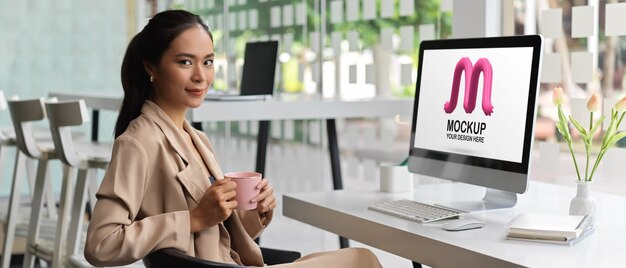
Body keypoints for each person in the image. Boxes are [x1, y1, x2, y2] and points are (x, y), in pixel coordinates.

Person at [84, 10, 382, 268]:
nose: (201, 76)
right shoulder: (138, 142)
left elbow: (219, 237)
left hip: (232, 261)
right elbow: (101, 244)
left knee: (357, 258)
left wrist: (254, 211)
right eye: (186, 62)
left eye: (209, 62)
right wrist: (194, 218)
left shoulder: (197, 138)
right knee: (361, 260)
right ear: (152, 67)